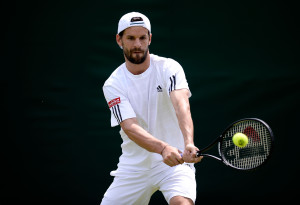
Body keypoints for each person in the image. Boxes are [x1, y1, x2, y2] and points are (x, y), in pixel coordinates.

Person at [101, 11, 203, 205]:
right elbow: (130, 127)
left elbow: (182, 105)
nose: (137, 44)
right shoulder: (113, 84)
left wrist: (188, 142)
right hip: (134, 167)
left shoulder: (169, 67)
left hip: (176, 160)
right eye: (130, 38)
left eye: (142, 38)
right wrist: (163, 148)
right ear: (119, 40)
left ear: (150, 39)